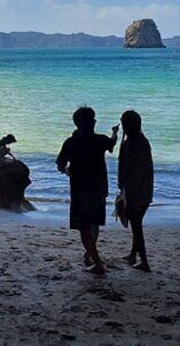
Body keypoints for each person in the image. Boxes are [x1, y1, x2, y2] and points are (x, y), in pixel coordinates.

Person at [56, 106, 118, 275]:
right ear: (93, 122)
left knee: (84, 227)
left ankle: (95, 261)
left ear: (76, 124)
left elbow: (60, 163)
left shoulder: (70, 142)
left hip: (79, 189)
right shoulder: (100, 140)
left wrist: (67, 171)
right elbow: (112, 143)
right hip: (98, 188)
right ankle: (92, 255)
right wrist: (115, 132)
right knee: (94, 223)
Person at [117, 110, 154, 272]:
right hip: (145, 189)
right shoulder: (143, 141)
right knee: (136, 223)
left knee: (136, 226)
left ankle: (144, 261)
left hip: (134, 191)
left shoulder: (130, 144)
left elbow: (126, 168)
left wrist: (125, 191)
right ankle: (133, 255)